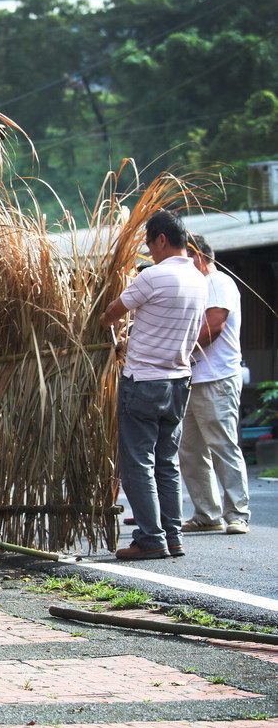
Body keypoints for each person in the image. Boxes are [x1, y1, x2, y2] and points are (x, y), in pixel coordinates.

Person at [100, 210, 208, 560]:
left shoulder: (153, 276)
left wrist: (109, 321)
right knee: (166, 462)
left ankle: (150, 539)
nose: (150, 251)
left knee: (137, 463)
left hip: (144, 381)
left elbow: (112, 313)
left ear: (161, 239)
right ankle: (171, 537)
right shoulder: (199, 278)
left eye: (150, 243)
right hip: (179, 382)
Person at [179, 234, 250, 535]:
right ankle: (207, 513)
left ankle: (238, 513)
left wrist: (176, 352)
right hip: (191, 377)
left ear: (197, 256)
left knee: (222, 444)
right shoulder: (194, 285)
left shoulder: (218, 282)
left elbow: (214, 326)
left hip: (217, 376)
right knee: (190, 449)